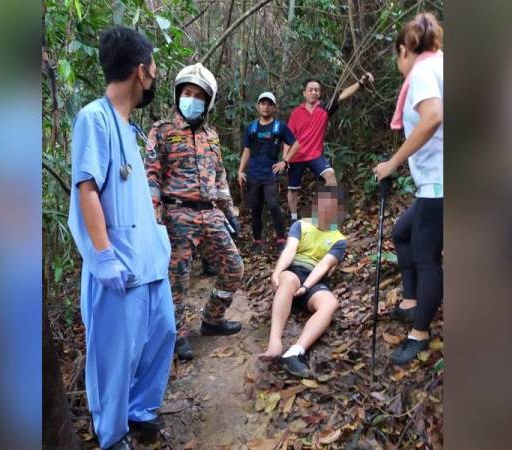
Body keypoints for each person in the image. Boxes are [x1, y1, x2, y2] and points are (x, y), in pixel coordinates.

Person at [67, 27, 176, 450]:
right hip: (119, 269)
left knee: (162, 334)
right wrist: (104, 254)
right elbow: (87, 188)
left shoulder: (130, 131)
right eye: (153, 67)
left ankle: (142, 412)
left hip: (149, 262)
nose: (155, 75)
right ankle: (113, 437)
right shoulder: (94, 119)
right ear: (140, 70)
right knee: (114, 359)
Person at [145, 63, 244, 362]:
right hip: (177, 216)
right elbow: (151, 176)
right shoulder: (162, 131)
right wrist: (154, 217)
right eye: (187, 93)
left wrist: (231, 212)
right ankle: (177, 335)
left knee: (233, 268)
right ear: (177, 95)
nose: (192, 99)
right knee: (177, 281)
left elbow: (220, 176)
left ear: (207, 102)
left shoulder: (211, 136)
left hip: (210, 214)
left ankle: (213, 319)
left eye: (198, 95)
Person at [373, 12, 443, 365]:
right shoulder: (441, 64)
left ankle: (420, 332)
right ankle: (412, 301)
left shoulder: (422, 72)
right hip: (435, 182)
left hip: (440, 182)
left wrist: (392, 163)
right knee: (403, 233)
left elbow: (432, 117)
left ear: (404, 50)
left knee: (426, 256)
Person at [259, 186, 348, 378]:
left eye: (331, 207)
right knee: (288, 279)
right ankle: (275, 341)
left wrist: (307, 286)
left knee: (330, 303)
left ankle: (296, 352)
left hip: (314, 280)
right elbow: (290, 250)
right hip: (293, 273)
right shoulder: (301, 225)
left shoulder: (339, 240)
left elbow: (324, 266)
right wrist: (277, 272)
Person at [285, 73, 374, 220]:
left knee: (331, 177)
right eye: (311, 89)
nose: (314, 92)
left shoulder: (325, 108)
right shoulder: (296, 113)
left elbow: (342, 95)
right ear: (304, 93)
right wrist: (285, 158)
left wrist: (360, 83)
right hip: (296, 157)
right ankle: (294, 219)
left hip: (315, 155)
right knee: (293, 190)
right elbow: (288, 137)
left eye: (316, 90)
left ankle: (325, 216)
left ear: (319, 93)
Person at [237, 92, 300, 254]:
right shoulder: (251, 128)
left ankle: (281, 240)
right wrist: (240, 170)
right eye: (262, 104)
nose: (265, 107)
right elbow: (247, 150)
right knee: (255, 208)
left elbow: (296, 144)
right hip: (254, 174)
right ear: (258, 106)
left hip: (270, 174)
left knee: (273, 205)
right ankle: (257, 242)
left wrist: (284, 161)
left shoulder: (279, 127)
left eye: (269, 104)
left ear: (273, 107)